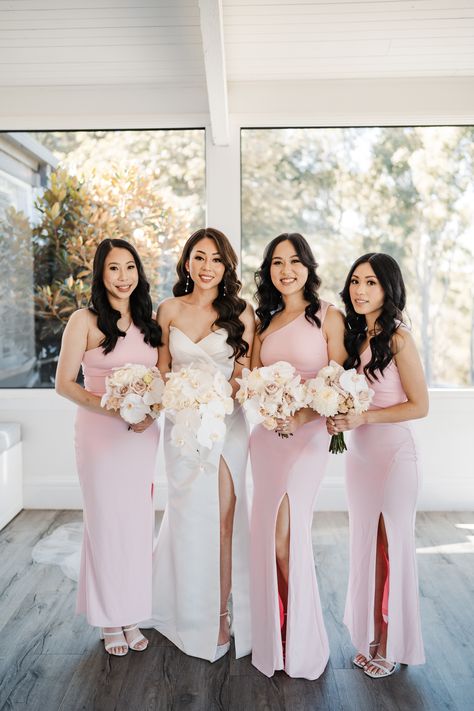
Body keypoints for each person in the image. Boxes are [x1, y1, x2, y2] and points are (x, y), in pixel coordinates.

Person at [151, 227, 255, 662]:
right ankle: (182, 606)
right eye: (199, 257)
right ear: (187, 263)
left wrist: (216, 401)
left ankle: (219, 614)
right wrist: (181, 406)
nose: (207, 266)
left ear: (225, 265)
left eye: (215, 258)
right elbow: (161, 371)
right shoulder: (168, 310)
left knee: (224, 521)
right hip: (180, 429)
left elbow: (244, 374)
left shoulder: (242, 312)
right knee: (187, 517)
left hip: (227, 426)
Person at [55, 238, 161, 656]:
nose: (123, 277)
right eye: (114, 268)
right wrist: (115, 408)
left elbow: (161, 379)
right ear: (101, 273)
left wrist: (150, 412)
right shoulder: (83, 320)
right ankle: (107, 620)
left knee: (135, 526)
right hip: (100, 433)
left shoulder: (149, 320)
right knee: (104, 523)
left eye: (130, 267)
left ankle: (130, 613)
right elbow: (64, 384)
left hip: (142, 437)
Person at [249, 233, 346, 680]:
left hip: (306, 438)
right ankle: (278, 633)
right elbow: (250, 378)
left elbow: (341, 381)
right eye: (276, 262)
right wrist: (268, 413)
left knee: (287, 537)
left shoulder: (328, 316)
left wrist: (301, 413)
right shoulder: (264, 321)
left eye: (294, 261)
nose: (285, 270)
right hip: (267, 438)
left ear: (308, 266)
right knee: (268, 537)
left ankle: (305, 639)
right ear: (268, 270)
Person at [328, 252, 428, 678]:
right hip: (361, 456)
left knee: (392, 548)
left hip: (394, 455)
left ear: (388, 288)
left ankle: (391, 642)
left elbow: (420, 405)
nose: (360, 290)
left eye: (370, 282)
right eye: (355, 281)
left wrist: (363, 417)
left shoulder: (399, 337)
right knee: (365, 546)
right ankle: (371, 633)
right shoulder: (357, 336)